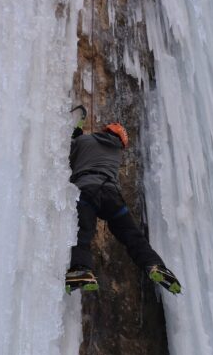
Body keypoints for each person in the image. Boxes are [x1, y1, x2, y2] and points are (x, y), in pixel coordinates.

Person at [66, 119, 181, 295]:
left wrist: (76, 134)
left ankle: (81, 269)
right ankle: (155, 265)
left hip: (87, 191)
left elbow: (68, 153)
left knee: (83, 232)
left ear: (106, 130)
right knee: (132, 236)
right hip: (112, 196)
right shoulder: (117, 153)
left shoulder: (85, 141)